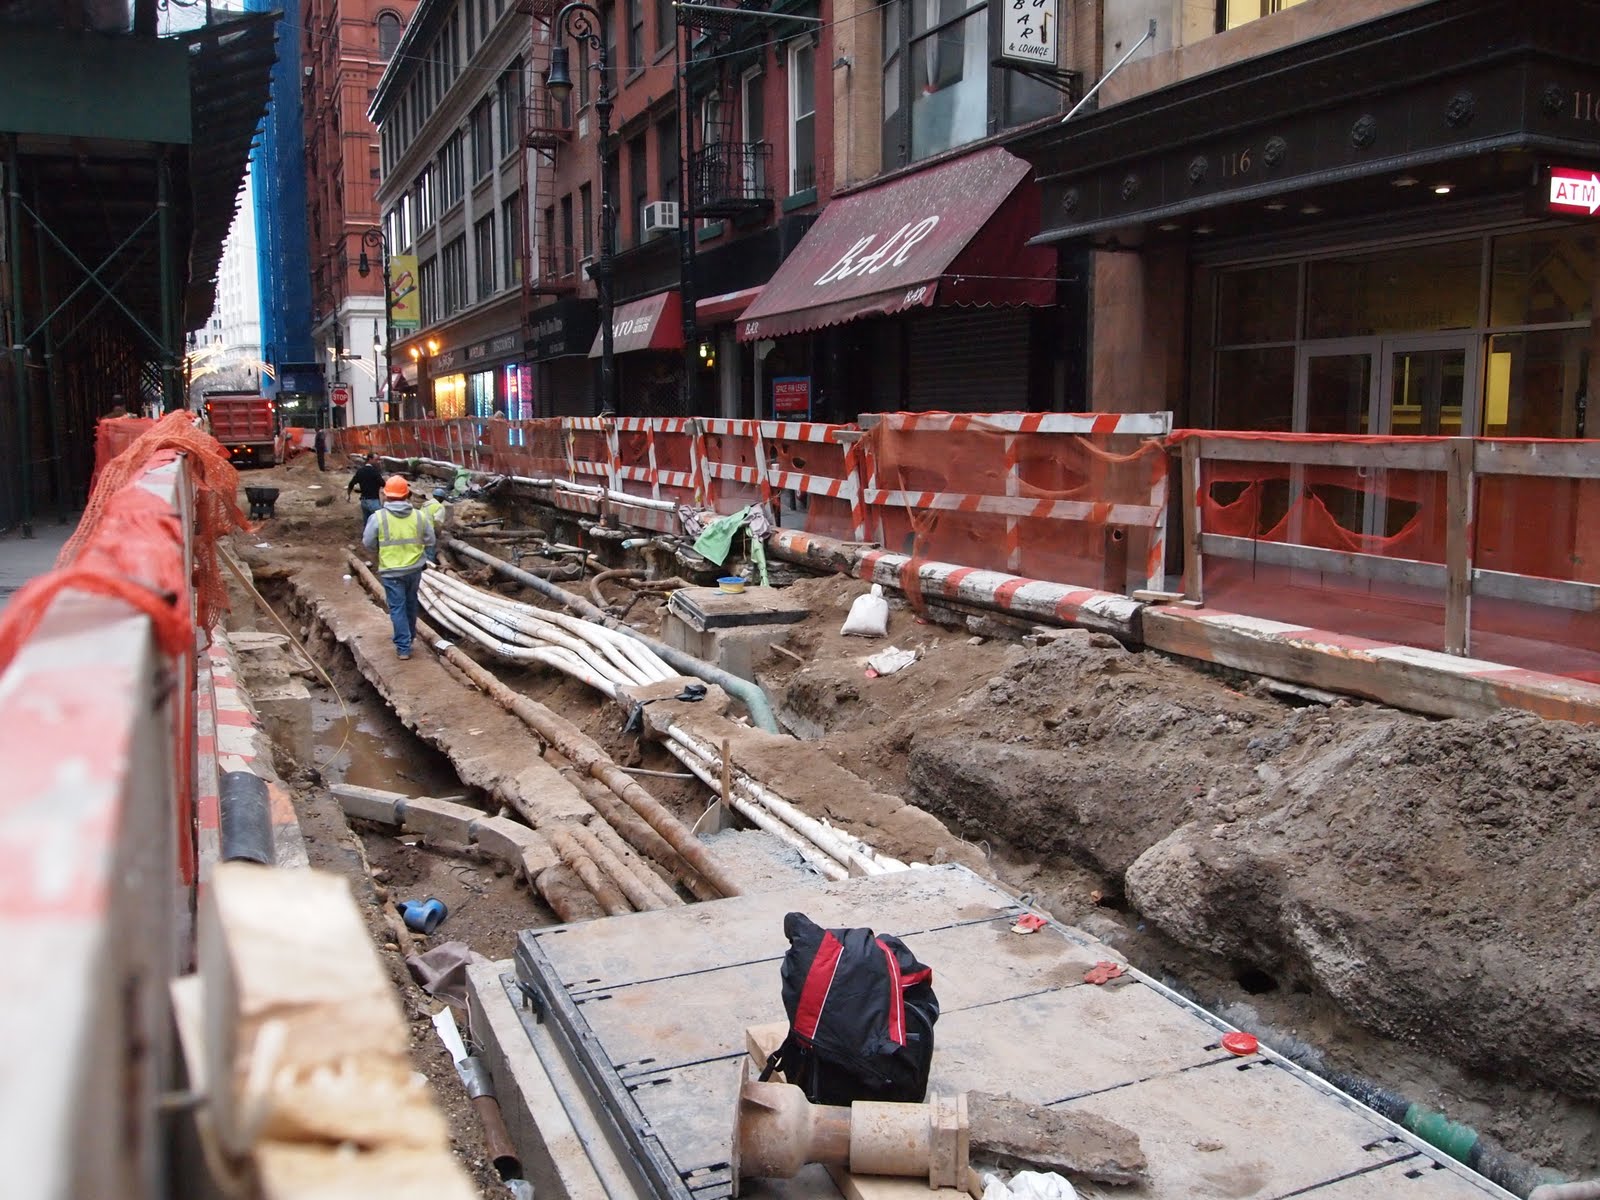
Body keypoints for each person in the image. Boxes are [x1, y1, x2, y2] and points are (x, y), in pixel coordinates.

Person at [363, 475, 435, 659]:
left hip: (391, 571)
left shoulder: (378, 517)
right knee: (411, 604)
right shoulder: (419, 516)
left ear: (386, 495)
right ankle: (409, 638)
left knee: (397, 608)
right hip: (414, 570)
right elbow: (430, 540)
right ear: (407, 495)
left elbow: (368, 543)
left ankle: (403, 648)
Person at [347, 453, 385, 535]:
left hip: (364, 501)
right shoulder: (374, 472)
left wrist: (348, 495)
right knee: (381, 522)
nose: (377, 462)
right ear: (370, 459)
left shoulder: (360, 471)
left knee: (367, 523)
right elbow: (383, 484)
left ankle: (366, 540)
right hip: (373, 501)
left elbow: (351, 483)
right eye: (376, 460)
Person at [419, 487, 448, 564]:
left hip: (418, 531)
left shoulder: (425, 504)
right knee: (429, 553)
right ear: (440, 498)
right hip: (429, 532)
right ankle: (430, 568)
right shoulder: (439, 507)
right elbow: (437, 522)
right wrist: (439, 534)